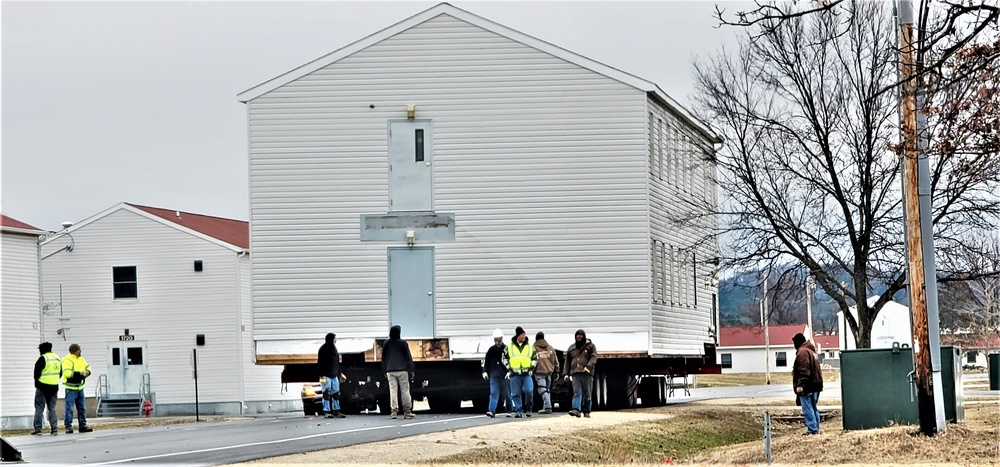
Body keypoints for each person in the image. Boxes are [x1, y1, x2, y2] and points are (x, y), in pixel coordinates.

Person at [381, 325, 416, 420]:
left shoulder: (386, 343)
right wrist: (411, 370)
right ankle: (407, 411)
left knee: (393, 390)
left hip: (390, 370)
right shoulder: (402, 343)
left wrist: (384, 370)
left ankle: (394, 411)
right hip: (402, 370)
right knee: (405, 390)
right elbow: (408, 357)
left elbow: (383, 358)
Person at [792, 332, 823, 435]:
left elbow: (803, 370)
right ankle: (816, 427)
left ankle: (812, 429)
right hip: (816, 384)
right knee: (814, 407)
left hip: (807, 385)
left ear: (797, 342)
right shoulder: (812, 351)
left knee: (807, 407)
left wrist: (800, 385)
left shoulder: (802, 352)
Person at [563, 329, 597, 418]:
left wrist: (588, 367)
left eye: (581, 335)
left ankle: (586, 411)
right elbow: (567, 361)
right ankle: (576, 409)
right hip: (575, 374)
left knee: (587, 393)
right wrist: (566, 373)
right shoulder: (571, 348)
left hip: (587, 374)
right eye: (577, 335)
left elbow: (594, 358)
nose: (579, 337)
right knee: (577, 392)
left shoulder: (591, 346)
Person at [62, 343, 93, 433]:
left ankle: (82, 425)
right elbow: (67, 373)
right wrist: (80, 374)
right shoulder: (67, 360)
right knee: (69, 408)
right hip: (71, 388)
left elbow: (89, 368)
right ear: (76, 351)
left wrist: (87, 372)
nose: (80, 351)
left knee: (82, 408)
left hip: (80, 388)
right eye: (79, 350)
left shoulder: (82, 360)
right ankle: (68, 426)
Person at [506, 326, 536, 418]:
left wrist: (531, 367)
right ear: (518, 335)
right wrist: (509, 368)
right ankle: (519, 411)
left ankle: (529, 406)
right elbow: (504, 358)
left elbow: (535, 358)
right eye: (522, 334)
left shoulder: (530, 346)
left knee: (529, 390)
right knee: (515, 393)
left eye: (524, 334)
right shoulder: (509, 347)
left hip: (526, 373)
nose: (524, 336)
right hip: (514, 374)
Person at [481, 328, 511, 418]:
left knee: (507, 394)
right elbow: (486, 363)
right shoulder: (491, 351)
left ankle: (509, 410)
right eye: (496, 340)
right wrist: (485, 372)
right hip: (494, 376)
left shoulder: (506, 350)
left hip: (504, 376)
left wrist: (510, 372)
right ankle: (491, 411)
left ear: (502, 339)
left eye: (499, 340)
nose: (497, 342)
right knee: (494, 393)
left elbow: (511, 362)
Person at [32, 342, 61, 435]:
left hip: (42, 387)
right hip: (54, 387)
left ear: (42, 349)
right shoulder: (57, 358)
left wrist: (38, 385)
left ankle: (38, 429)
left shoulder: (43, 358)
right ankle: (54, 428)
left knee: (39, 408)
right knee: (52, 408)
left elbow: (36, 374)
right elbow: (60, 374)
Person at [317, 333, 346, 418]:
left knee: (336, 393)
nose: (335, 340)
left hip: (334, 375)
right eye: (334, 338)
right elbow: (320, 363)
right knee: (326, 393)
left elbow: (337, 362)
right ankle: (326, 411)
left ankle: (336, 410)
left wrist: (339, 372)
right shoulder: (323, 349)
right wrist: (321, 375)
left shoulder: (334, 349)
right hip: (326, 375)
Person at [532, 331, 560, 414]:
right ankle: (546, 406)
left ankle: (548, 407)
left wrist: (531, 371)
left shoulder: (534, 348)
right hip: (549, 372)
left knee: (542, 390)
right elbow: (556, 361)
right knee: (547, 390)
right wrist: (557, 371)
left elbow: (533, 361)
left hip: (539, 372)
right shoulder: (550, 348)